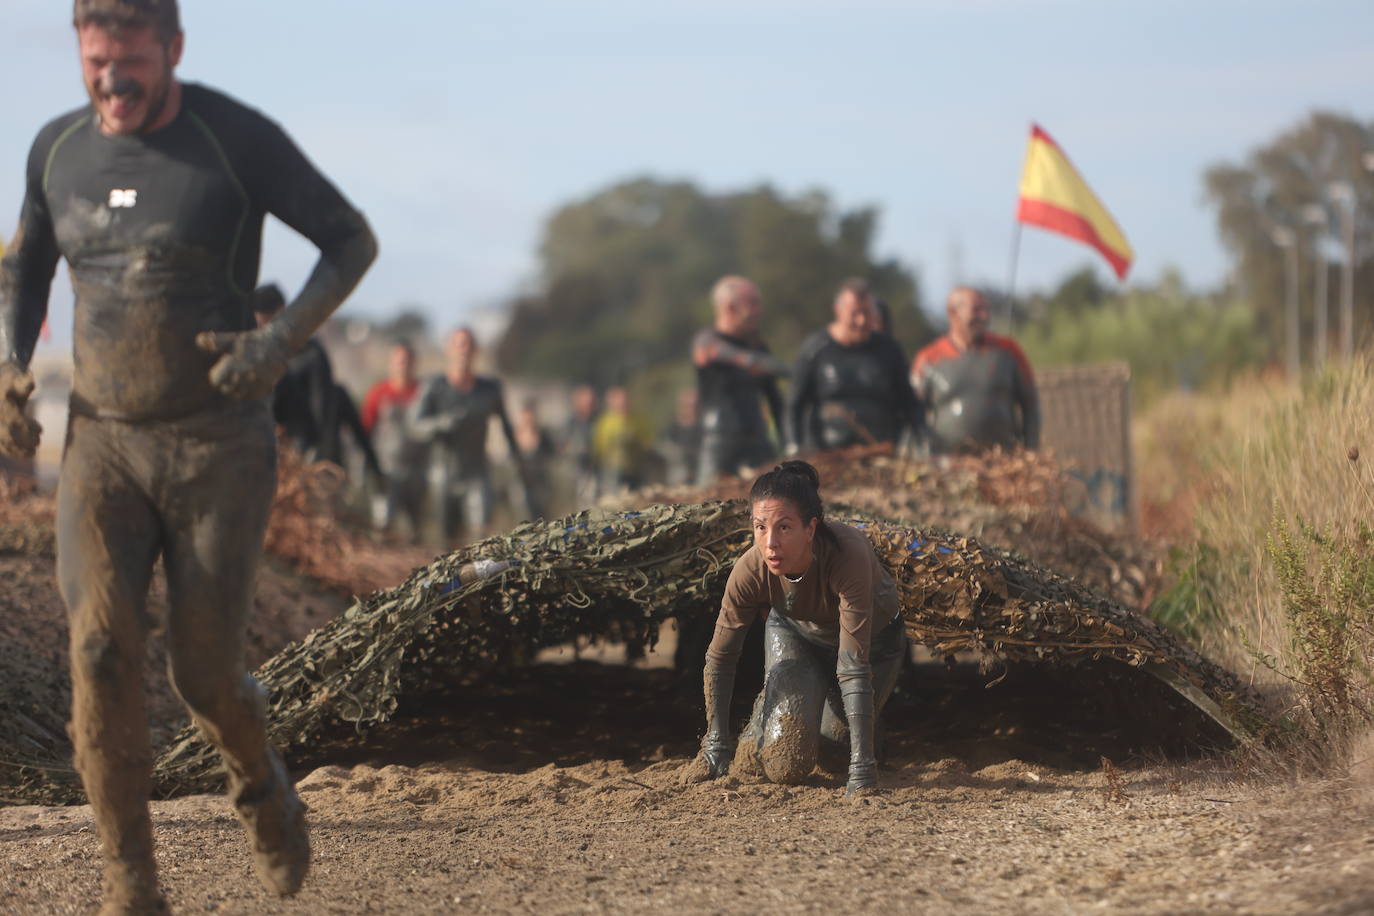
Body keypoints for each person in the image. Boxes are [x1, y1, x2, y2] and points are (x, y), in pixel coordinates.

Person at [0, 1, 377, 911]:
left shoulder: (235, 139)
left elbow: (349, 239)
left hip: (219, 446)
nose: (113, 82)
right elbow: (29, 262)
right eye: (97, 63)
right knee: (96, 648)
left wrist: (279, 341)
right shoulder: (56, 149)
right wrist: (11, 371)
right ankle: (131, 881)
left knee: (201, 675)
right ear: (81, 55)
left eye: (131, 62)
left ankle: (259, 782)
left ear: (172, 49)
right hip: (105, 445)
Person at [686, 461, 907, 793]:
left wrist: (862, 769)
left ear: (811, 529)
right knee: (786, 762)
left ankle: (867, 735)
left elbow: (853, 665)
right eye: (760, 527)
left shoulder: (848, 555)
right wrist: (715, 742)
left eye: (784, 527)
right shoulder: (750, 569)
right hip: (797, 634)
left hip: (874, 643)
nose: (770, 542)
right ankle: (768, 715)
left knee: (837, 753)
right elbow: (721, 656)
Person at [411, 327, 524, 544]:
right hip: (443, 474)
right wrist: (440, 424)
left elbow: (506, 427)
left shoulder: (489, 389)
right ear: (448, 350)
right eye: (459, 344)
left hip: (476, 474)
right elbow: (414, 425)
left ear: (476, 351)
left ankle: (480, 578)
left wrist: (517, 463)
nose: (464, 350)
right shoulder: (434, 386)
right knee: (446, 543)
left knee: (480, 539)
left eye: (469, 345)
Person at [787, 278, 923, 452]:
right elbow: (794, 404)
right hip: (828, 456)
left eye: (867, 313)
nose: (861, 321)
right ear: (838, 311)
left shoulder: (889, 349)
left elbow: (909, 401)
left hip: (881, 453)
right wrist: (793, 446)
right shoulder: (815, 349)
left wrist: (922, 439)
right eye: (855, 313)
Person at [911, 286, 1040, 454]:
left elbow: (1031, 406)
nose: (984, 316)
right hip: (947, 465)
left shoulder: (1008, 351)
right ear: (953, 313)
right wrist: (922, 455)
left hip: (1002, 463)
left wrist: (1030, 451)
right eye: (977, 310)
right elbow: (912, 413)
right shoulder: (928, 358)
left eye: (986, 310)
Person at [692, 275, 785, 483]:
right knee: (709, 501)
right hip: (719, 443)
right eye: (752, 303)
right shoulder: (707, 341)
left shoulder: (758, 347)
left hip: (758, 442)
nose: (758, 310)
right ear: (730, 307)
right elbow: (719, 352)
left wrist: (788, 443)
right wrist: (751, 361)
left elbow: (775, 400)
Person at [361, 340, 426, 535]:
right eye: (398, 361)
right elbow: (365, 430)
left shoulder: (424, 393)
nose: (402, 365)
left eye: (406, 361)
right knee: (382, 525)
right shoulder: (378, 393)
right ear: (391, 363)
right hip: (386, 470)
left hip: (417, 470)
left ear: (414, 363)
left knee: (416, 529)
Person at [591, 384, 653, 492]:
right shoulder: (605, 422)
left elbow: (647, 444)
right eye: (620, 400)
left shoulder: (639, 421)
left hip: (636, 471)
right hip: (611, 472)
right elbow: (598, 449)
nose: (623, 403)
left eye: (626, 400)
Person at [512, 397, 556, 519]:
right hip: (522, 482)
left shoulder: (543, 435)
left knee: (543, 517)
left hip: (541, 483)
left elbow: (551, 455)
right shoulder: (515, 436)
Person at [561, 383, 599, 506]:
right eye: (586, 401)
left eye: (591, 401)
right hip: (576, 472)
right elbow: (563, 446)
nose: (588, 405)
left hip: (596, 471)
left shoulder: (598, 421)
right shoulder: (571, 424)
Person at [660, 387, 702, 487]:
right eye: (687, 406)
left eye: (694, 406)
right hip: (676, 481)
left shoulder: (705, 430)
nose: (691, 409)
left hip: (701, 480)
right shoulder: (671, 429)